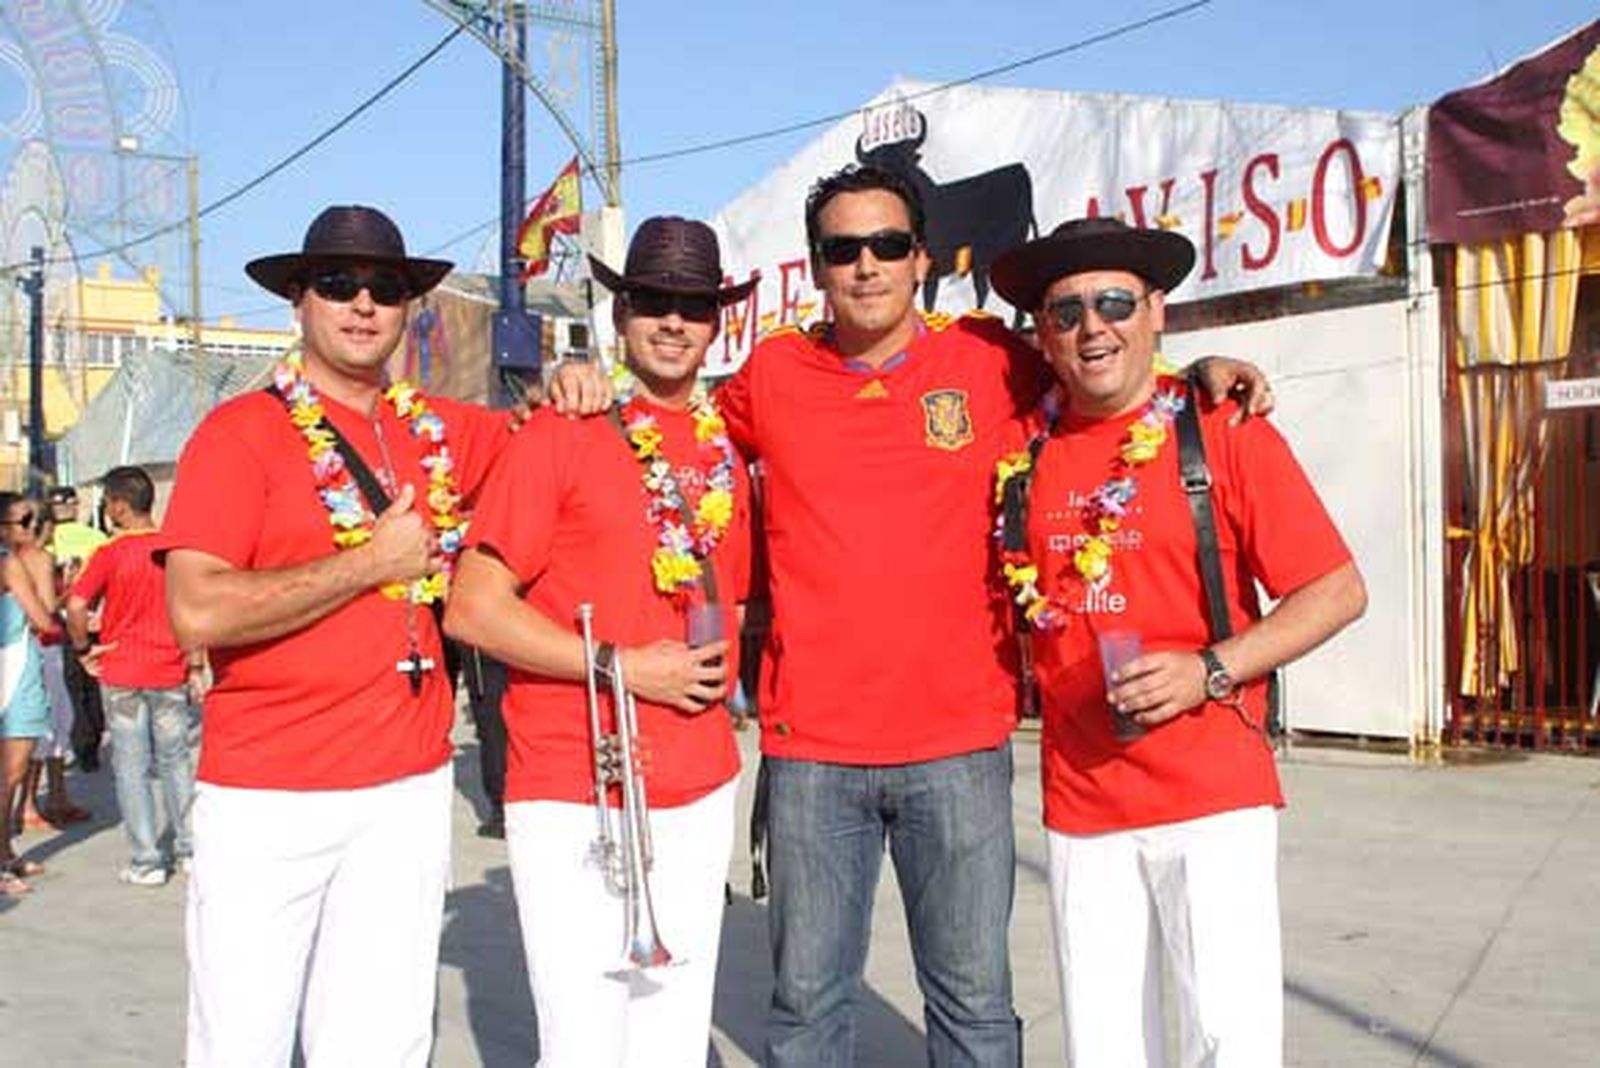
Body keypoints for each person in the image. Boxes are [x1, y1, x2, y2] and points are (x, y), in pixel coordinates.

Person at [549, 164, 1270, 1065]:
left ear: (922, 257)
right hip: (814, 754)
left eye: (888, 245)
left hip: (959, 750)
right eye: (842, 249)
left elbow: (1101, 372)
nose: (866, 266)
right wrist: (584, 377)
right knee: (808, 1011)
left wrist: (1198, 370)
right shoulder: (771, 375)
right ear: (815, 267)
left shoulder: (991, 361)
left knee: (974, 1008)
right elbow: (669, 417)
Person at [987, 216, 1367, 1067]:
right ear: (1042, 335)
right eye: (1068, 309)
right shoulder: (1022, 448)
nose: (1094, 327)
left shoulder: (1221, 429)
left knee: (1225, 1044)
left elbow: (1337, 590)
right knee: (1104, 1047)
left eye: (1117, 300)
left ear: (1157, 310)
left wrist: (1210, 670)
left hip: (1212, 797)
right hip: (1083, 803)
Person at [161, 205, 514, 1068]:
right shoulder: (239, 434)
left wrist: (580, 386)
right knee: (241, 1041)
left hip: (405, 792)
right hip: (269, 798)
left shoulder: (440, 432)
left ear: (408, 308)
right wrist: (368, 565)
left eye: (385, 288)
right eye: (337, 284)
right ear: (298, 299)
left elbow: (557, 452)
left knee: (382, 1044)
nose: (362, 303)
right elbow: (197, 611)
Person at [445, 216, 755, 1068]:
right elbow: (471, 609)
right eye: (653, 301)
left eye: (693, 305)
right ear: (620, 317)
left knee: (673, 1037)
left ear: (716, 320)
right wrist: (624, 668)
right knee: (584, 1042)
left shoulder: (729, 449)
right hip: (577, 785)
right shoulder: (562, 430)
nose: (672, 321)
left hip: (696, 788)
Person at [66, 465, 200, 887]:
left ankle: (147, 859)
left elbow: (75, 606)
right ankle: (189, 848)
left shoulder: (108, 554)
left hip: (122, 670)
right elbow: (194, 607)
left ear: (120, 506)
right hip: (169, 669)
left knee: (131, 765)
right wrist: (196, 662)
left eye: (107, 502)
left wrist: (83, 650)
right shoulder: (174, 549)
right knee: (176, 760)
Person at [0, 492, 53, 893]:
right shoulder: (12, 562)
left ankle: (5, 853)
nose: (31, 527)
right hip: (15, 668)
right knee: (10, 774)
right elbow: (42, 618)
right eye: (23, 521)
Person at [48, 485, 109, 772]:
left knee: (71, 685)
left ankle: (82, 741)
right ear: (75, 507)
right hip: (92, 616)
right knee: (91, 682)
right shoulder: (96, 538)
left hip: (60, 619)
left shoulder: (46, 541)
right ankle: (92, 740)